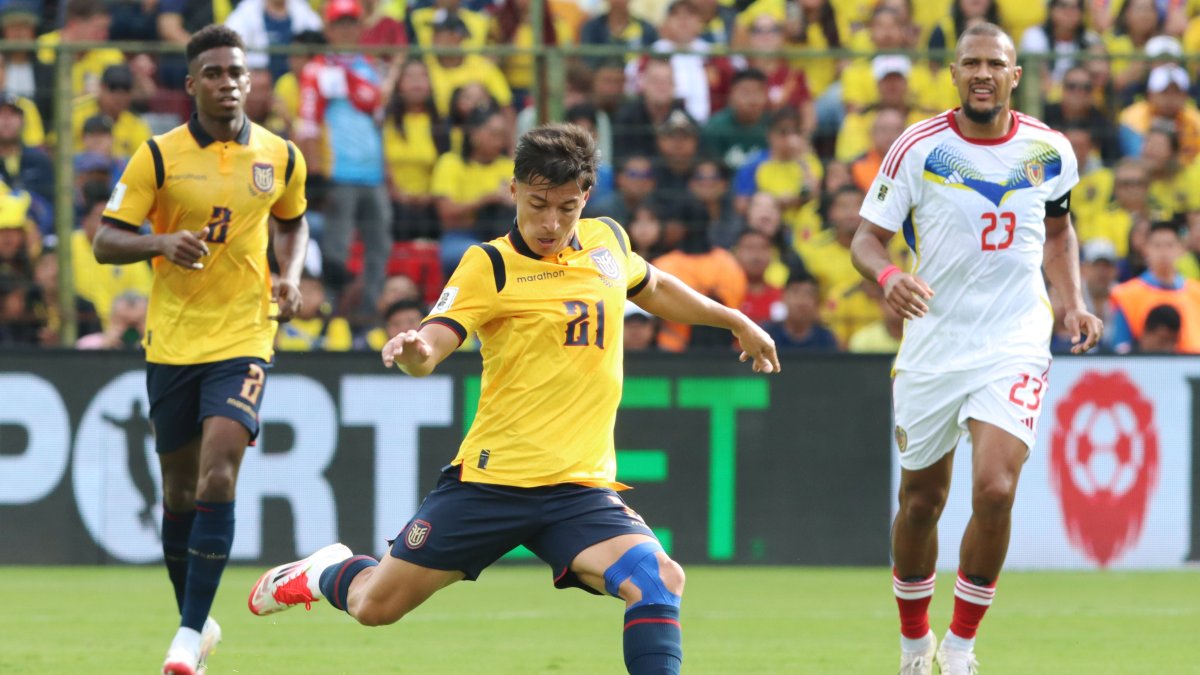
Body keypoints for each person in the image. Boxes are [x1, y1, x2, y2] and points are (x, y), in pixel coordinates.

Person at [247, 123, 779, 675]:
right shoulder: (489, 264)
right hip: (490, 485)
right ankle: (326, 571)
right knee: (373, 607)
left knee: (659, 580)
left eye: (566, 207)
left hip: (578, 489)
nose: (551, 222)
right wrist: (413, 351)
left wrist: (733, 319)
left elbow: (657, 287)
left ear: (587, 197)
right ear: (514, 190)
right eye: (538, 204)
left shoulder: (607, 241)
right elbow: (435, 341)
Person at [850, 23, 1103, 675]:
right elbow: (866, 240)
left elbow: (1058, 232)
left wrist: (1071, 299)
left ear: (1015, 76)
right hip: (934, 344)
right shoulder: (919, 148)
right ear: (955, 74)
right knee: (921, 501)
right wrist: (889, 276)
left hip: (1014, 339)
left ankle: (960, 646)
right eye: (972, 63)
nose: (983, 73)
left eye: (996, 63)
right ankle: (914, 643)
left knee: (994, 488)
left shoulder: (1048, 149)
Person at [92, 25, 310, 675]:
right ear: (192, 85)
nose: (228, 82)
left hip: (244, 333)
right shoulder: (157, 157)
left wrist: (290, 274)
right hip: (174, 339)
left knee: (221, 467)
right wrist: (161, 244)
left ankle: (187, 636)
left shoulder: (281, 155)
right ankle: (198, 616)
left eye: (237, 72)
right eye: (214, 72)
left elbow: (292, 218)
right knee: (179, 489)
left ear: (249, 80)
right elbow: (106, 240)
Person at [1108, 221, 1200, 354]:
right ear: (1146, 249)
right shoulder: (1126, 294)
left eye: (1170, 245)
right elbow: (1120, 346)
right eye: (1157, 245)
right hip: (1145, 368)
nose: (1164, 252)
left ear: (1181, 249)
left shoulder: (1197, 292)